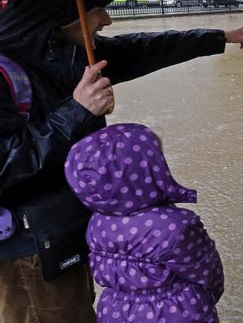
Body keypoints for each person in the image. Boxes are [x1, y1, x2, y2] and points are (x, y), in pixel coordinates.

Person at [0, 0, 243, 322]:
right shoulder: (6, 72)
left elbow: (143, 48)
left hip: (68, 230)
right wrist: (76, 112)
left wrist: (218, 37)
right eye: (96, 11)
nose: (107, 20)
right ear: (60, 16)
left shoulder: (67, 51)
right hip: (28, 249)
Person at [65, 123, 223, 323]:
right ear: (147, 173)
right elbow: (208, 273)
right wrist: (205, 302)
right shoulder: (176, 225)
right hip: (177, 312)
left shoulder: (96, 222)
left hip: (115, 311)